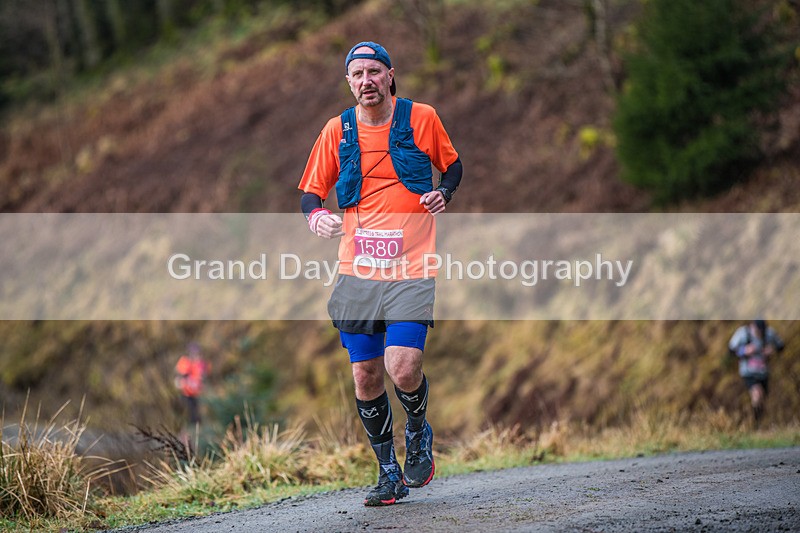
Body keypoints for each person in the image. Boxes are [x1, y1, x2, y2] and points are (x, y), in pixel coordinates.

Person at [298, 41, 463, 506]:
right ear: (349, 82)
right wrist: (317, 218)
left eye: (374, 72)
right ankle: (388, 472)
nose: (366, 81)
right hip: (357, 271)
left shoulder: (421, 118)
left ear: (391, 75)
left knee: (402, 365)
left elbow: (451, 166)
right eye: (357, 75)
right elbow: (311, 192)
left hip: (412, 265)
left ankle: (418, 430)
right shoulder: (338, 130)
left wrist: (443, 195)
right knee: (367, 375)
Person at [728, 320, 784, 424]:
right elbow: (730, 351)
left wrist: (772, 350)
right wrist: (744, 350)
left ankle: (760, 422)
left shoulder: (769, 333)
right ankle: (756, 423)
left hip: (764, 372)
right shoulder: (743, 333)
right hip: (748, 372)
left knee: (762, 398)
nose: (760, 334)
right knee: (757, 394)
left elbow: (781, 346)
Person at [174, 342, 210, 426]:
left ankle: (198, 429)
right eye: (193, 352)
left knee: (198, 414)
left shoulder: (201, 363)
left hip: (198, 393)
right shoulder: (184, 362)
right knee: (188, 413)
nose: (195, 355)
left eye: (197, 353)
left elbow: (204, 376)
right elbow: (179, 375)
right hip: (186, 393)